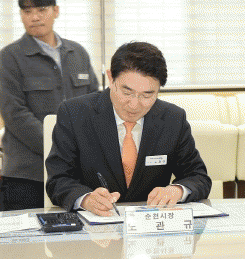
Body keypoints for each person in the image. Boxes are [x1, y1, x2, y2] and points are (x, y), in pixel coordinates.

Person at [45, 41, 211, 215]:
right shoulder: (74, 114)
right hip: (96, 223)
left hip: (150, 224)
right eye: (127, 92)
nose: (134, 105)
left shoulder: (173, 118)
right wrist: (86, 199)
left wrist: (176, 190)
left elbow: (198, 177)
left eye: (147, 95)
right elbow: (58, 180)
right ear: (111, 78)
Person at [0, 0, 99, 210]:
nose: (34, 17)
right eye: (27, 11)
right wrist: (60, 146)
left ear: (56, 11)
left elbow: (94, 104)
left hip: (75, 175)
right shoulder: (10, 57)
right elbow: (15, 114)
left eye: (41, 10)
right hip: (27, 175)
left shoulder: (78, 53)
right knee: (26, 232)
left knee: (78, 231)